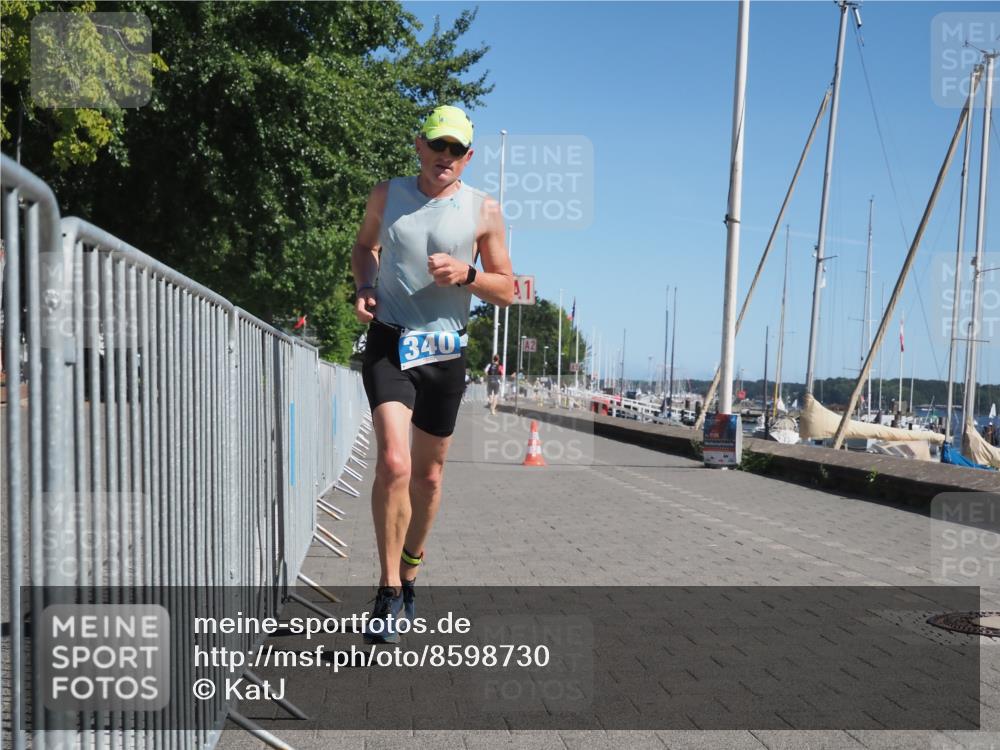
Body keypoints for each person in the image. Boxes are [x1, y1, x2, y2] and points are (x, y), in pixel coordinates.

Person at [351, 105, 514, 643]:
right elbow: (363, 248)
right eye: (436, 145)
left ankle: (412, 567)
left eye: (456, 150)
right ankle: (388, 590)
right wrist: (365, 285)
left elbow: (508, 289)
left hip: (444, 353)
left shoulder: (483, 210)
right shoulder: (386, 194)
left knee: (429, 477)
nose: (445, 157)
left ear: (468, 157)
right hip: (391, 342)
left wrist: (469, 275)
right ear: (418, 145)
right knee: (394, 463)